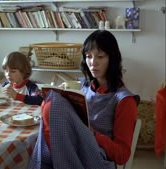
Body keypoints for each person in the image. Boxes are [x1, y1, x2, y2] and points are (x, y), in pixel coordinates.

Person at [28, 30, 140, 169]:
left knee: (55, 104)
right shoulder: (83, 86)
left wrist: (92, 134)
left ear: (112, 58)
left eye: (100, 56)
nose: (93, 63)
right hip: (73, 151)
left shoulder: (124, 100)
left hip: (97, 160)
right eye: (88, 56)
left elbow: (122, 155)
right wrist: (64, 94)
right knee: (52, 100)